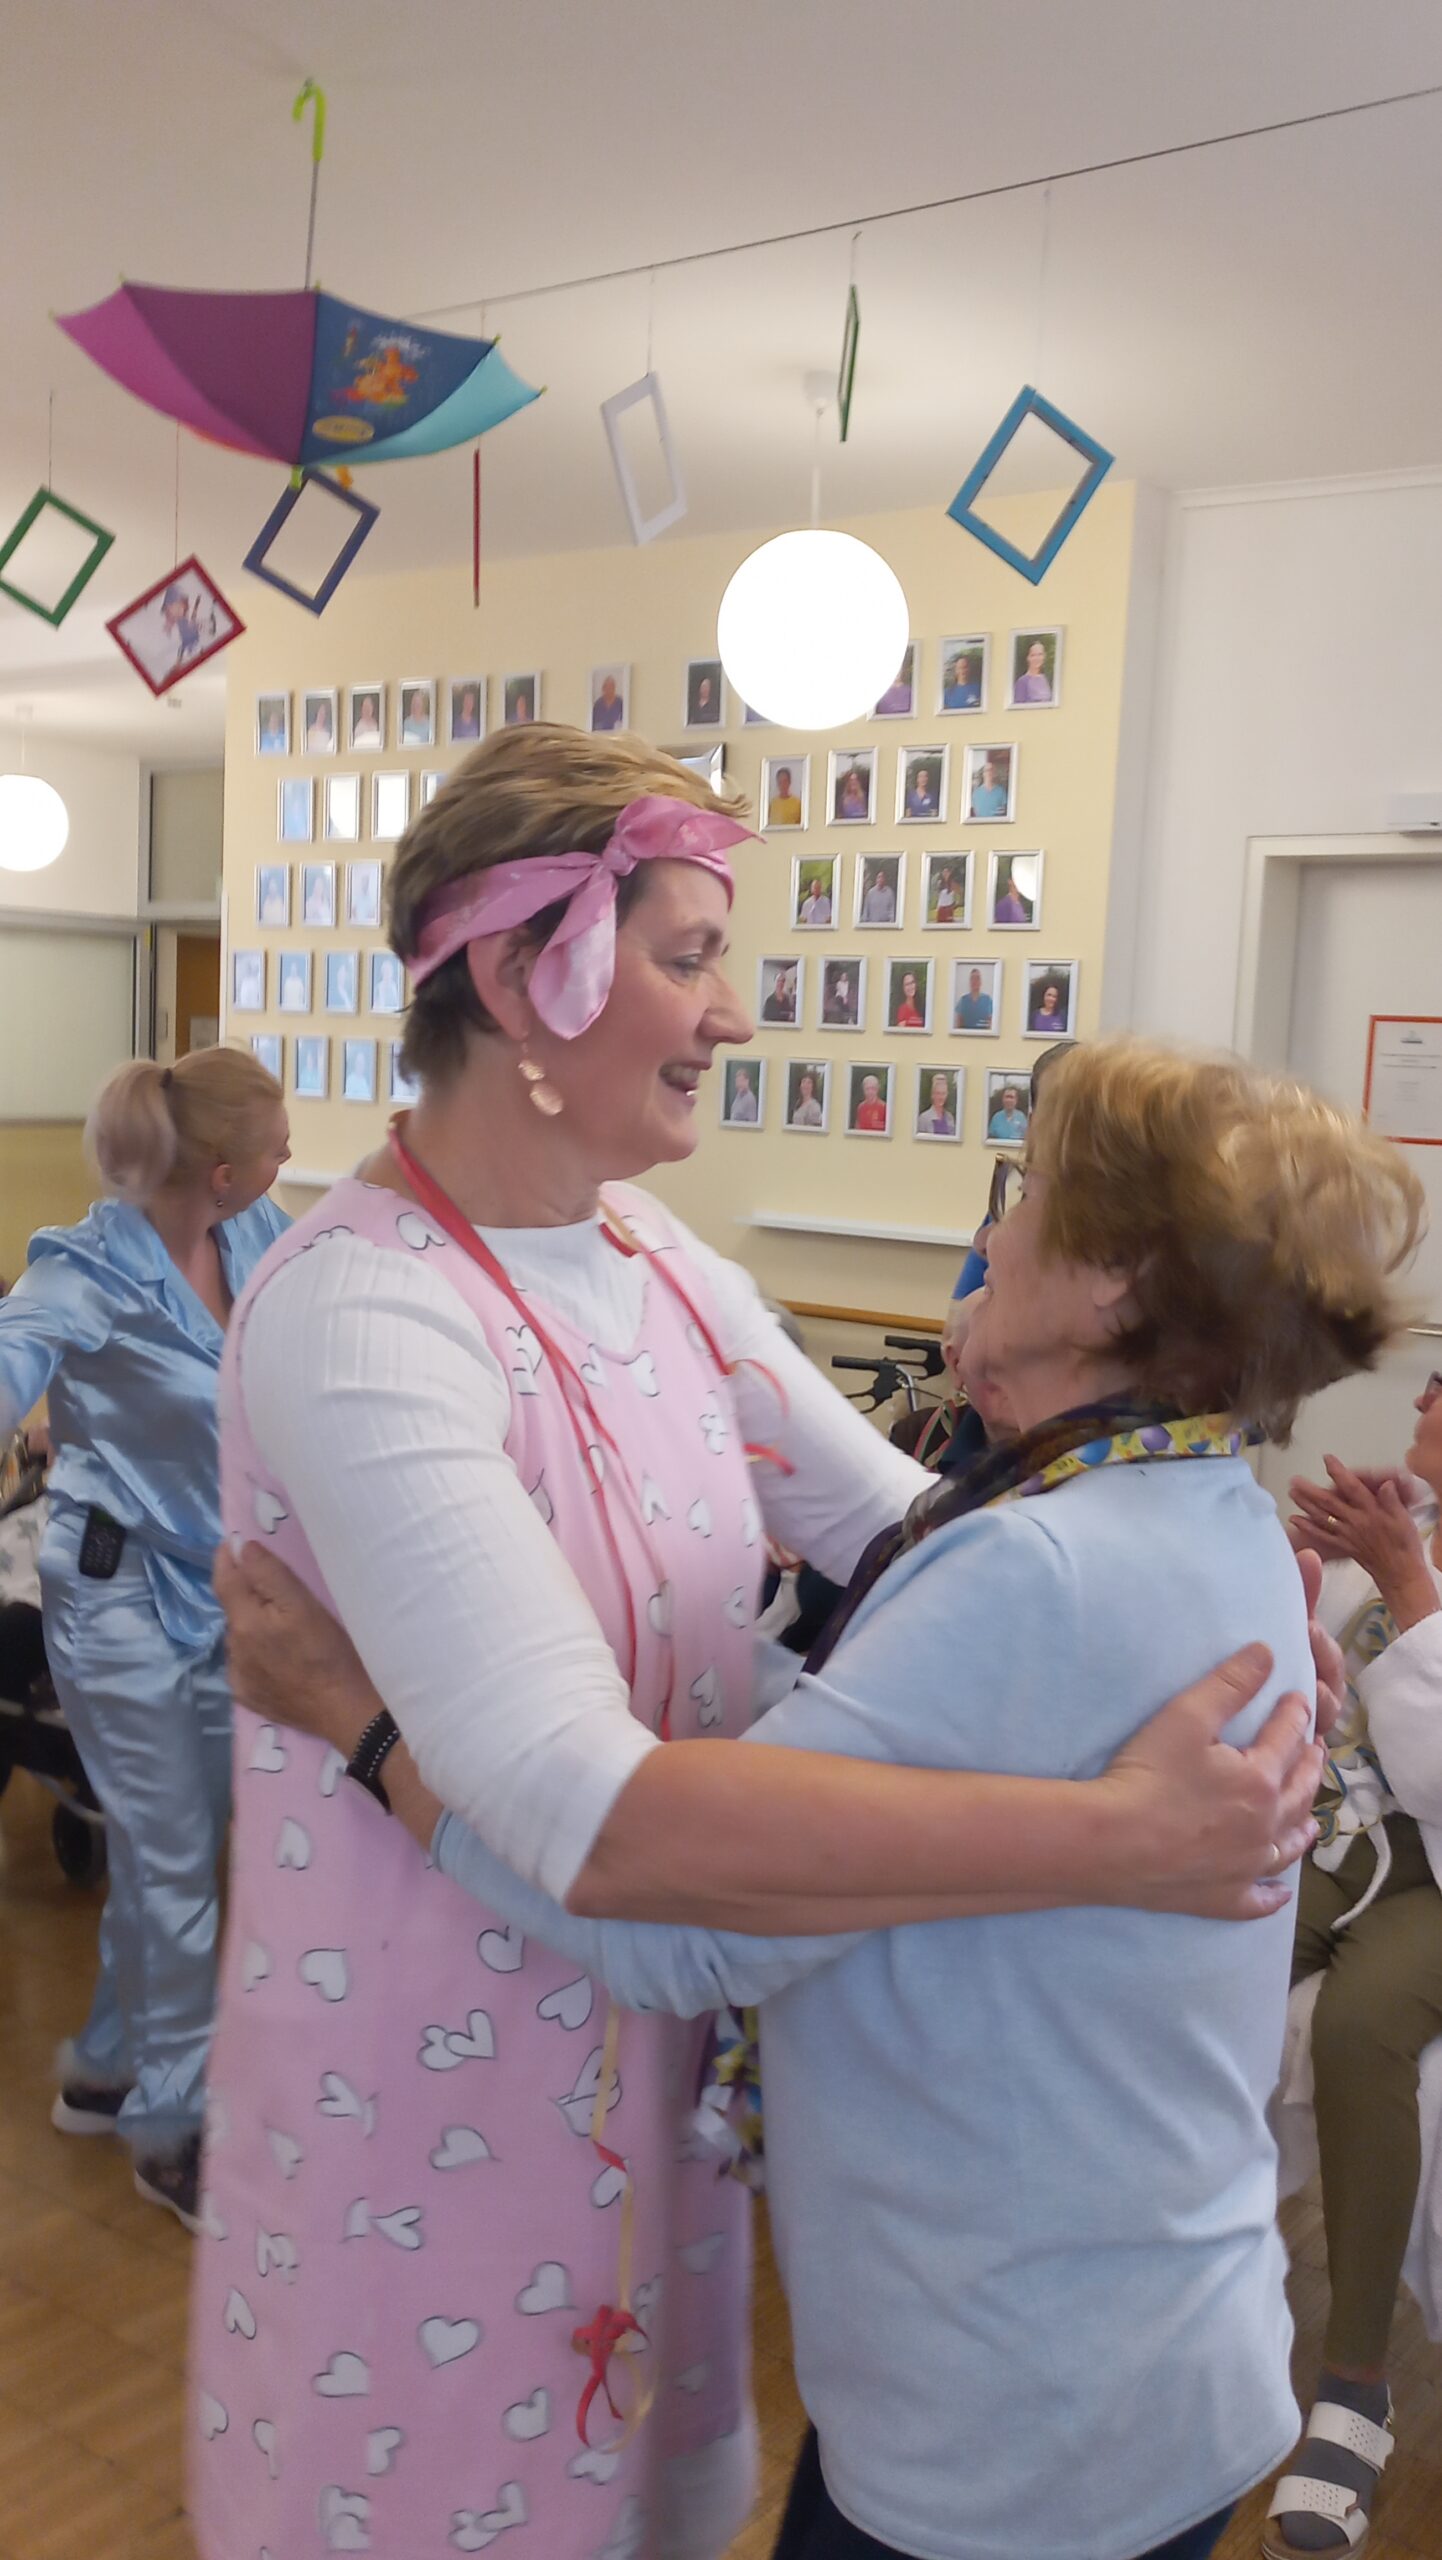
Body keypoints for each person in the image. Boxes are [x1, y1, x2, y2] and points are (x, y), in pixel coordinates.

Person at [198, 730, 1330, 2560]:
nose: (732, 1012)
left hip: (664, 2042)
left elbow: (919, 1538)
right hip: (454, 2058)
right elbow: (595, 1816)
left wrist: (1166, 1631)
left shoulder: (652, 1258)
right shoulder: (367, 1320)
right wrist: (1116, 1830)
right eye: (688, 955)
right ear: (521, 980)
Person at [0, 1052, 289, 2229]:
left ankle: (108, 2068)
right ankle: (174, 2132)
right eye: (274, 1141)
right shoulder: (83, 1272)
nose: (287, 1156)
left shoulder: (258, 1231)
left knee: (182, 1846)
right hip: (110, 1595)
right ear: (217, 1168)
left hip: (217, 1588)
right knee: (172, 1865)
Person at [1263, 1386, 1442, 2559]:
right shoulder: (1403, 1516)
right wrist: (1297, 1575)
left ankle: (1354, 2384)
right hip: (1347, 1834)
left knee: (1360, 2025)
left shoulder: (1406, 1547)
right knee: (1201, 1958)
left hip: (1433, 1868)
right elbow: (1313, 1695)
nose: (1422, 1395)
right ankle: (1172, 2277)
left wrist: (1408, 1585)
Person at [1013, 637, 1054, 705]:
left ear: (1044, 656)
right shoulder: (1022, 682)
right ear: (1028, 658)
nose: (1037, 658)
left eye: (1040, 654)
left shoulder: (1047, 679)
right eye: (1033, 655)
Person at [955, 964, 993, 1030]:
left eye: (977, 978)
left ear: (980, 982)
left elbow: (990, 1024)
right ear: (970, 982)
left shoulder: (987, 1000)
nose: (975, 981)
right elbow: (958, 1024)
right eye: (972, 978)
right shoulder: (963, 1000)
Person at [917, 1072, 955, 1137]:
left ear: (947, 1095)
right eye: (938, 1093)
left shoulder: (950, 1117)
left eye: (943, 1093)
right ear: (932, 1095)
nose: (941, 1097)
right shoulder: (923, 1118)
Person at [970, 754, 1009, 819]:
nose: (989, 772)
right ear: (983, 773)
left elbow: (1004, 811)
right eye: (987, 770)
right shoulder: (976, 793)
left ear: (994, 773)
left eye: (991, 770)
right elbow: (975, 812)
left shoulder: (1001, 791)